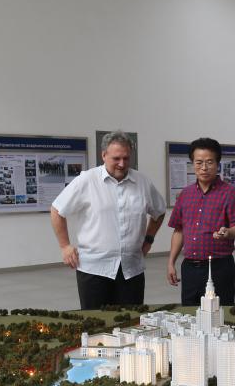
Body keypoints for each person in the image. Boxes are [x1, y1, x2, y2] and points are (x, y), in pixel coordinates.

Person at [50, 130, 166, 309]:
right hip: (94, 270)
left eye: (126, 158)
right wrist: (65, 246)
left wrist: (149, 238)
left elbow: (159, 211)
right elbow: (57, 210)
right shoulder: (87, 180)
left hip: (131, 270)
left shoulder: (142, 182)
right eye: (116, 158)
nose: (122, 164)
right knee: (96, 321)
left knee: (131, 321)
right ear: (104, 155)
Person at [167, 137, 235, 306]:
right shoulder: (185, 194)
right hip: (189, 268)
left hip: (219, 268)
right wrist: (171, 262)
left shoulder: (230, 193)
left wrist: (228, 232)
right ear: (192, 164)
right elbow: (179, 230)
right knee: (190, 313)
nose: (204, 167)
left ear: (218, 164)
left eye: (209, 162)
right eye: (199, 162)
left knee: (220, 313)